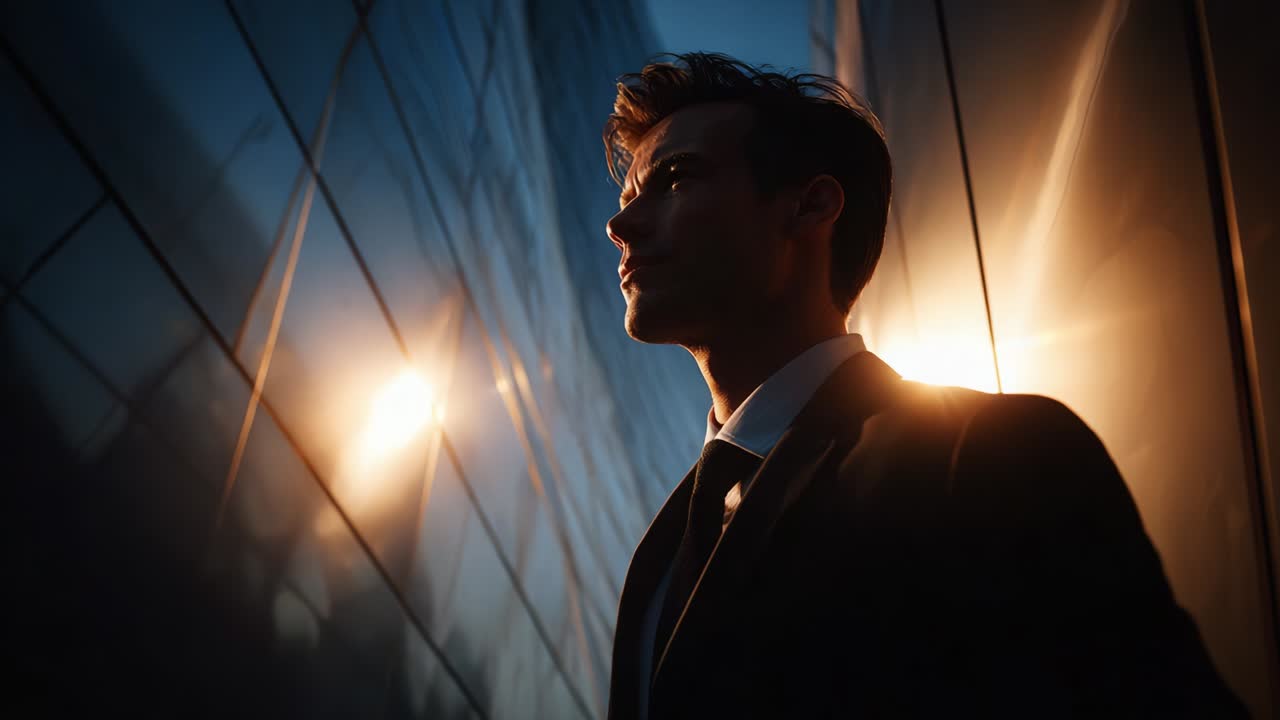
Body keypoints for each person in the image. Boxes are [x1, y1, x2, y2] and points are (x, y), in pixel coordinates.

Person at [600, 52, 1245, 719]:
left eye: (675, 179)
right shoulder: (661, 553)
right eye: (627, 200)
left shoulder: (993, 454)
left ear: (811, 206)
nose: (620, 227)